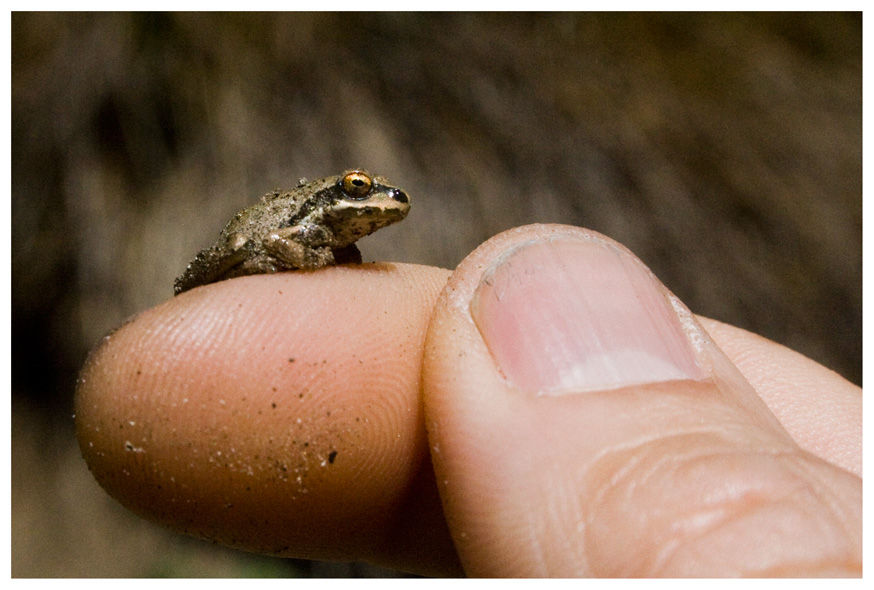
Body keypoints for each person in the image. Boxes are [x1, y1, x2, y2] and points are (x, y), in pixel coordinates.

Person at [75, 224, 861, 577]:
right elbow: (273, 244)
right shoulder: (304, 226)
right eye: (357, 194)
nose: (377, 206)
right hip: (242, 254)